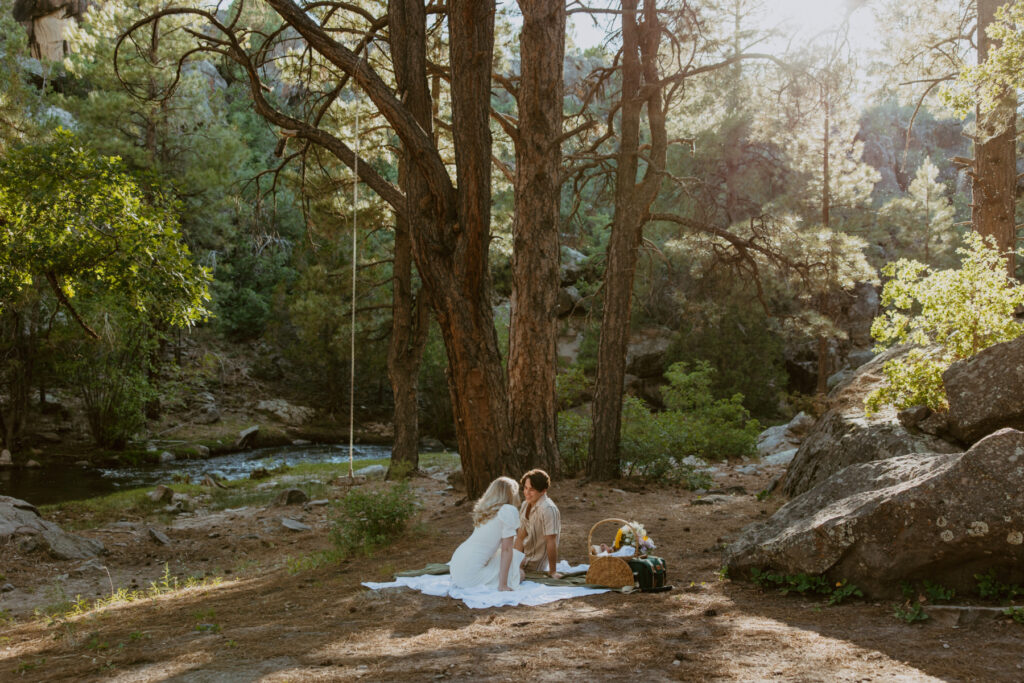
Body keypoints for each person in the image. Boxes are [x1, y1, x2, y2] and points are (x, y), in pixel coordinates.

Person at [448, 476, 524, 591]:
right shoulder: (508, 510)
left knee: (515, 561)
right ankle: (502, 579)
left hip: (457, 567)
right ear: (512, 494)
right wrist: (503, 585)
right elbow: (507, 549)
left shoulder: (485, 511)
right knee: (520, 573)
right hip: (471, 576)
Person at [515, 468, 561, 578]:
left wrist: (553, 571)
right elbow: (520, 537)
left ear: (543, 490)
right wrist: (514, 560)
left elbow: (551, 541)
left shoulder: (548, 509)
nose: (527, 492)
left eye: (532, 490)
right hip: (522, 556)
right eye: (525, 488)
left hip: (533, 562)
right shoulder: (525, 504)